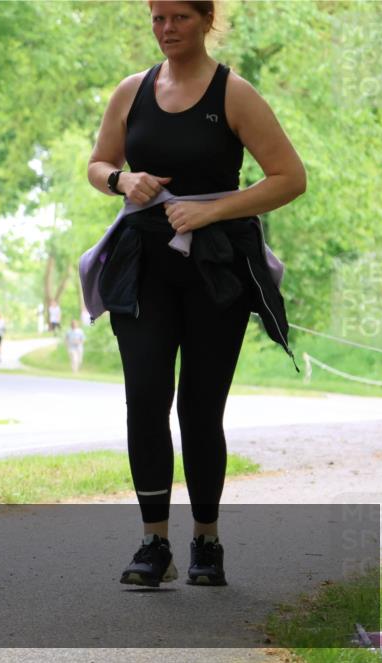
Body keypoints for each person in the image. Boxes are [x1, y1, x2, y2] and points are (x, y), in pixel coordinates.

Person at [83, 0, 305, 587]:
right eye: (158, 18)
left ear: (208, 19)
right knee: (145, 401)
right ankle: (154, 543)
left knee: (200, 410)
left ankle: (207, 542)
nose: (166, 30)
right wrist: (120, 179)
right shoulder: (131, 91)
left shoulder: (234, 93)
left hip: (215, 270)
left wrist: (212, 212)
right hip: (142, 267)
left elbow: (289, 177)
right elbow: (100, 162)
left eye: (179, 17)